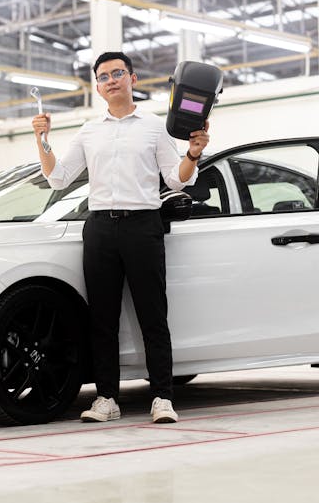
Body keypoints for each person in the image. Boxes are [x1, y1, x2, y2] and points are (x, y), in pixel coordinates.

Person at [31, 52, 210, 424]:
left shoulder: (154, 126)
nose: (111, 80)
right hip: (99, 228)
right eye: (103, 76)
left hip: (143, 225)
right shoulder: (89, 131)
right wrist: (42, 140)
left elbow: (176, 179)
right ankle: (107, 398)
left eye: (117, 73)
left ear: (132, 78)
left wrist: (193, 154)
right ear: (98, 87)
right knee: (102, 319)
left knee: (152, 315)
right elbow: (58, 178)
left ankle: (162, 397)